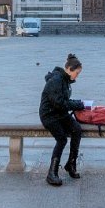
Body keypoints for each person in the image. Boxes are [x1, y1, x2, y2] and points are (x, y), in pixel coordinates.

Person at [39, 53, 85, 186]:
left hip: (60, 113)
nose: (77, 76)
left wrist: (79, 103)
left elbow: (64, 102)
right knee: (62, 139)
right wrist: (77, 105)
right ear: (69, 69)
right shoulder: (56, 80)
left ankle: (71, 164)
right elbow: (59, 103)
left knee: (77, 129)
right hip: (49, 114)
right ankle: (52, 173)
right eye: (77, 73)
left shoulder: (65, 80)